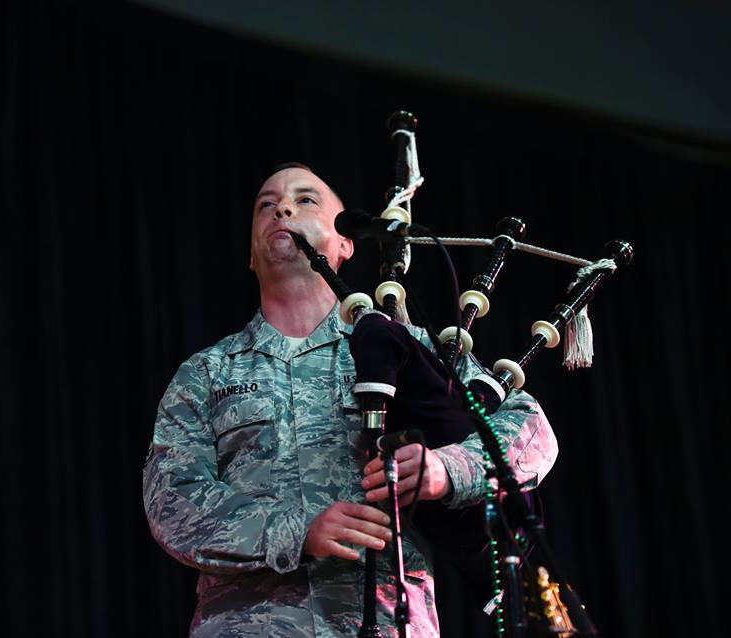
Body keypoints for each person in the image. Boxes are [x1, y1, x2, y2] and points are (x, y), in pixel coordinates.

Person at [142, 164, 558, 637]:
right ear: (250, 258)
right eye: (266, 204)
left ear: (345, 245)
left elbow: (530, 427)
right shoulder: (207, 373)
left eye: (306, 200)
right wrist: (297, 532)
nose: (282, 208)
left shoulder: (403, 347)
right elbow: (172, 502)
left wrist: (446, 469)